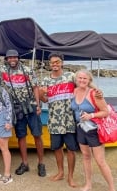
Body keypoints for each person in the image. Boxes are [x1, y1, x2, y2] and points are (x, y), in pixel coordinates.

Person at [0, 46, 46, 177]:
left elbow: (35, 87)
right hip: (16, 108)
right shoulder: (3, 70)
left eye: (14, 57)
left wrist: (38, 105)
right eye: (10, 57)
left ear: (18, 58)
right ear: (6, 59)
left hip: (31, 105)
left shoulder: (27, 70)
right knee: (21, 136)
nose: (12, 60)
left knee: (37, 135)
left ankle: (41, 163)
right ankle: (25, 163)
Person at [71, 69, 115, 191]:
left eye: (85, 78)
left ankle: (112, 187)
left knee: (100, 161)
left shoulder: (94, 93)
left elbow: (106, 111)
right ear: (76, 79)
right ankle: (88, 184)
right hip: (80, 129)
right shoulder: (74, 91)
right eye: (79, 78)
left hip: (94, 130)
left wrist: (91, 115)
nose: (82, 80)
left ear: (89, 80)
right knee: (85, 156)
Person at [39, 53, 79, 186]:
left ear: (62, 62)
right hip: (54, 121)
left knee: (71, 149)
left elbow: (83, 88)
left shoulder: (71, 77)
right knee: (57, 148)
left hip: (70, 120)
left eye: (57, 62)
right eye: (52, 63)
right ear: (49, 64)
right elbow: (45, 100)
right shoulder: (45, 81)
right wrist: (40, 93)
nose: (54, 64)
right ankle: (60, 172)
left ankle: (71, 176)